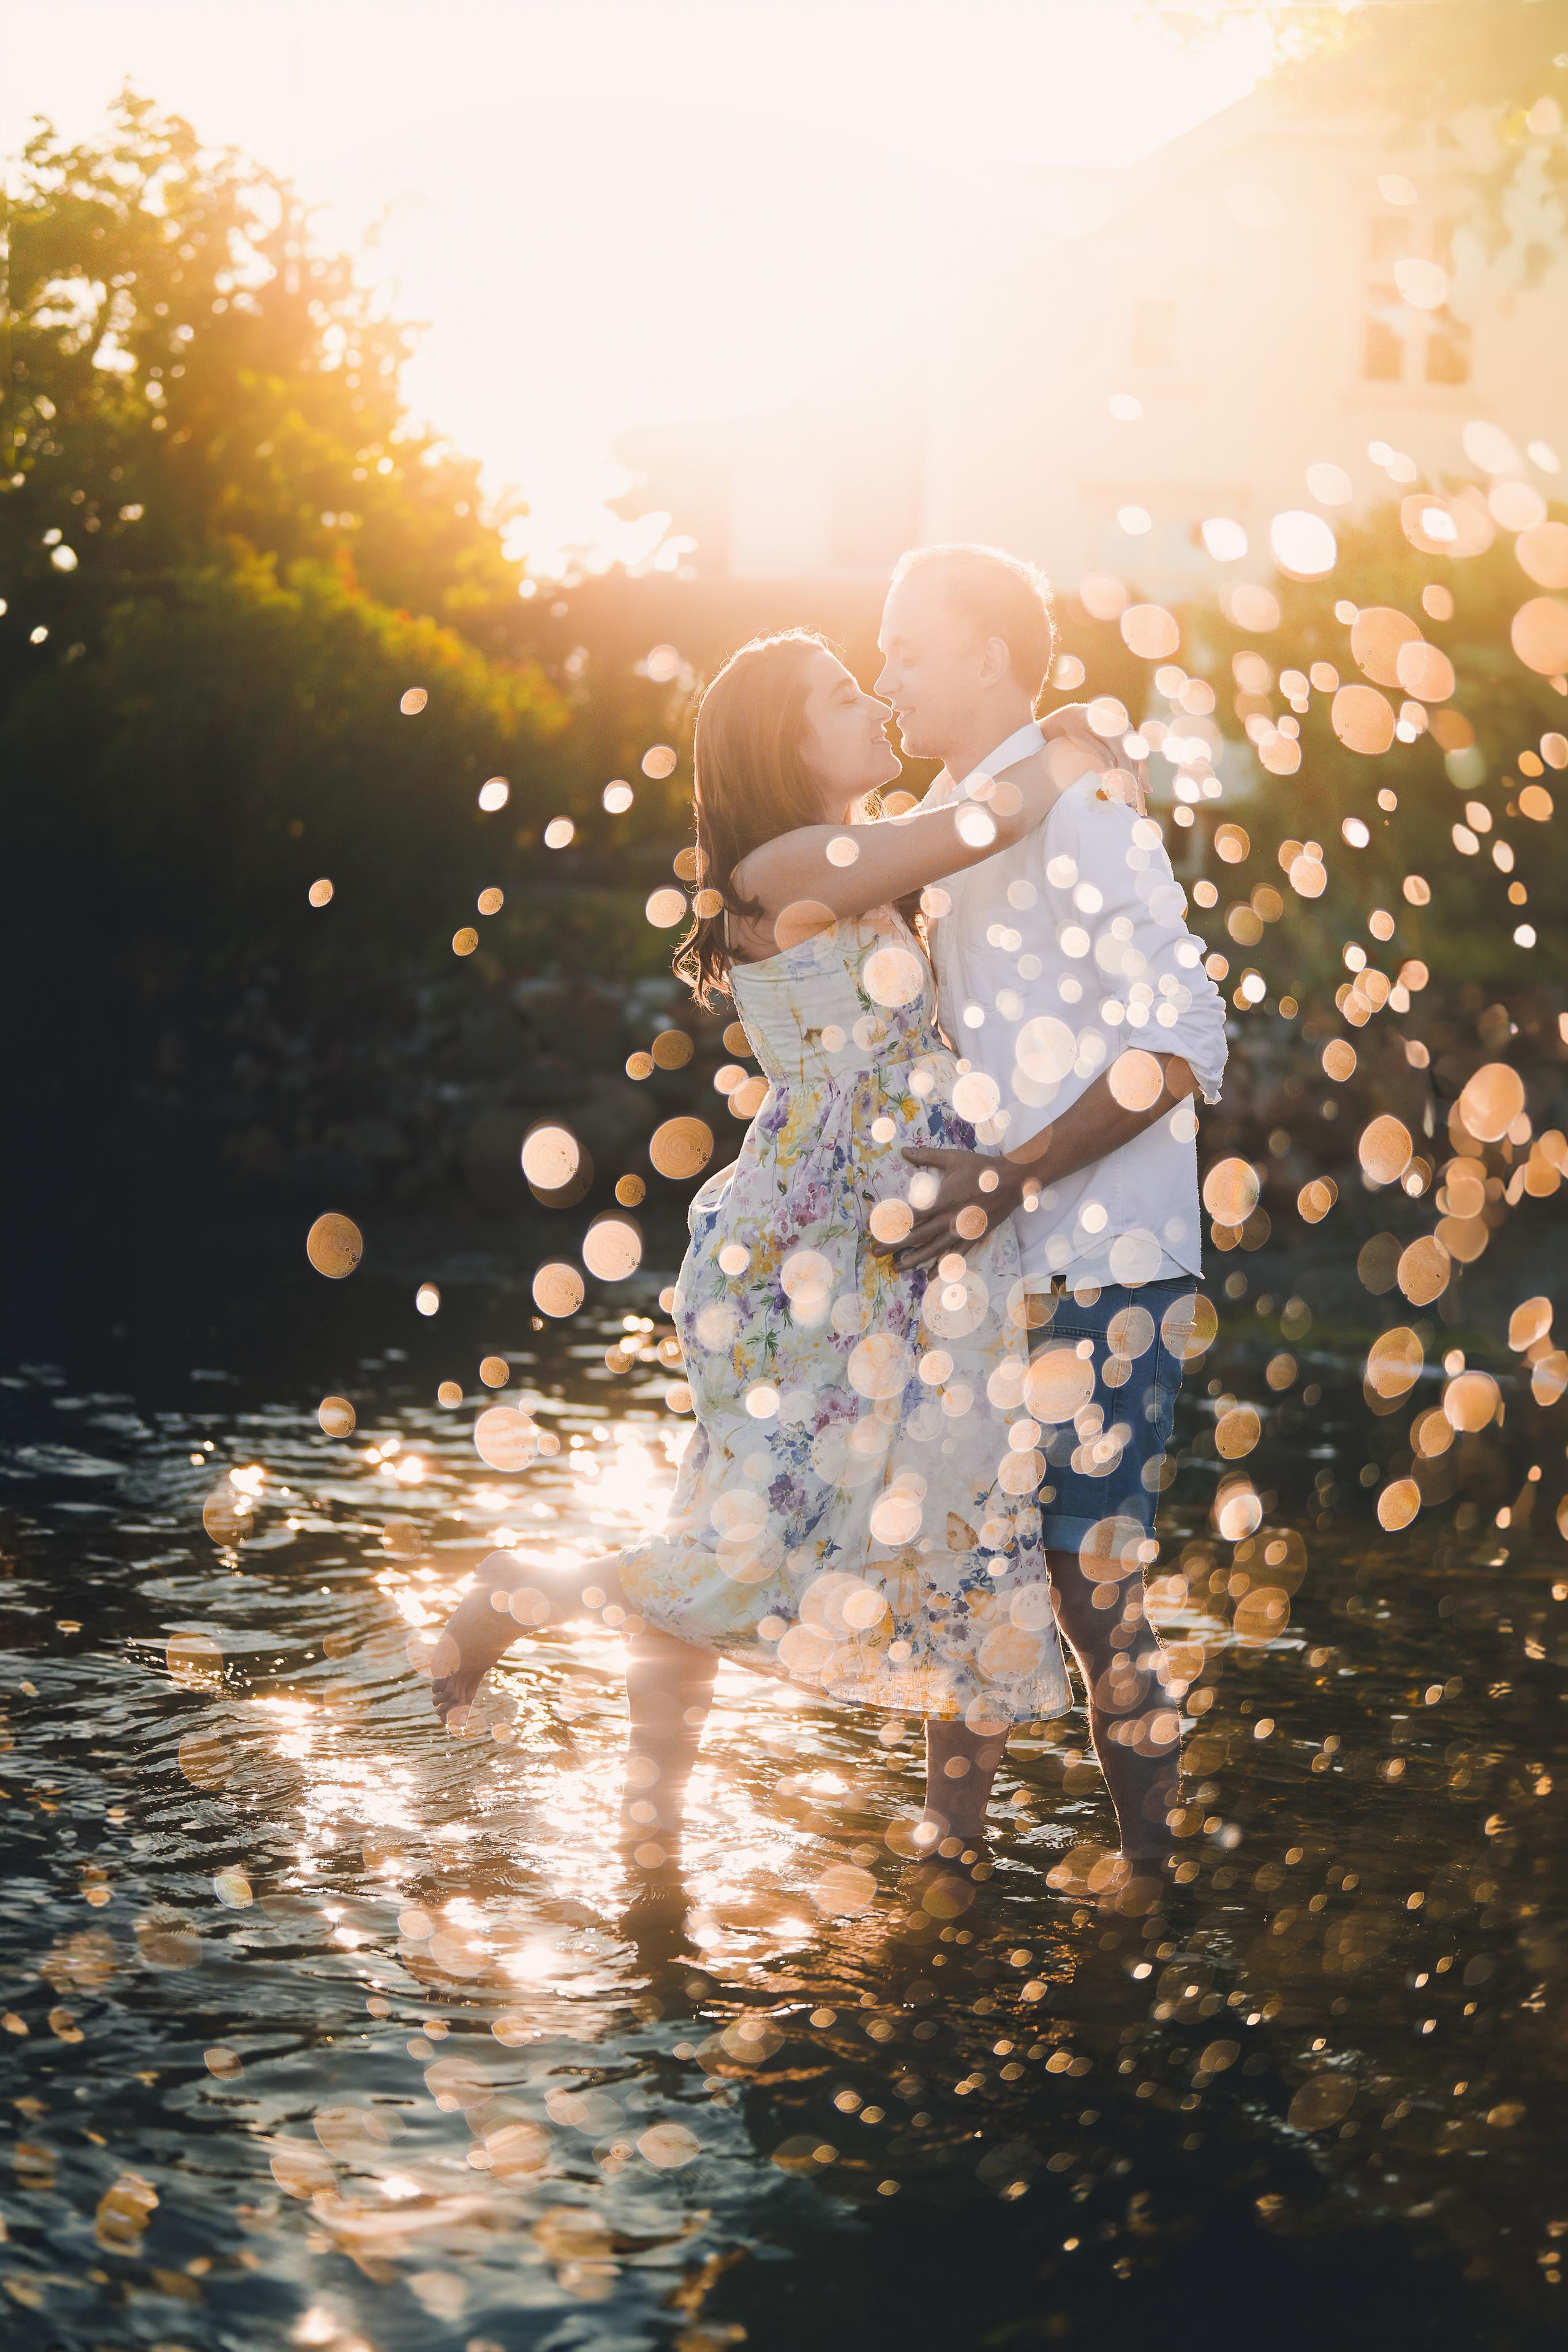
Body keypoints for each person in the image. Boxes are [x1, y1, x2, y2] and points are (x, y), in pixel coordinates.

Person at [429, 628, 1123, 1886]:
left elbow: (965, 843)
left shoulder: (855, 853)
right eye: (841, 696)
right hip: (815, 1258)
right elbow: (984, 821)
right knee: (757, 1540)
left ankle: (917, 1852)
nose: (872, 706)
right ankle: (525, 1595)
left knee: (952, 1515)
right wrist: (1067, 743)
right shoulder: (784, 865)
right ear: (778, 743)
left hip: (912, 1251)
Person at [873, 543, 1229, 1861]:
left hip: (1104, 1254)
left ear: (986, 654)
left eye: (908, 647)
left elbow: (1185, 1033)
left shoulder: (1083, 803)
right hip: (988, 1253)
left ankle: (1155, 1881)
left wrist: (1009, 1176)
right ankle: (950, 1874)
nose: (887, 674)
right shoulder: (952, 813)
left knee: (1088, 1594)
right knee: (966, 1577)